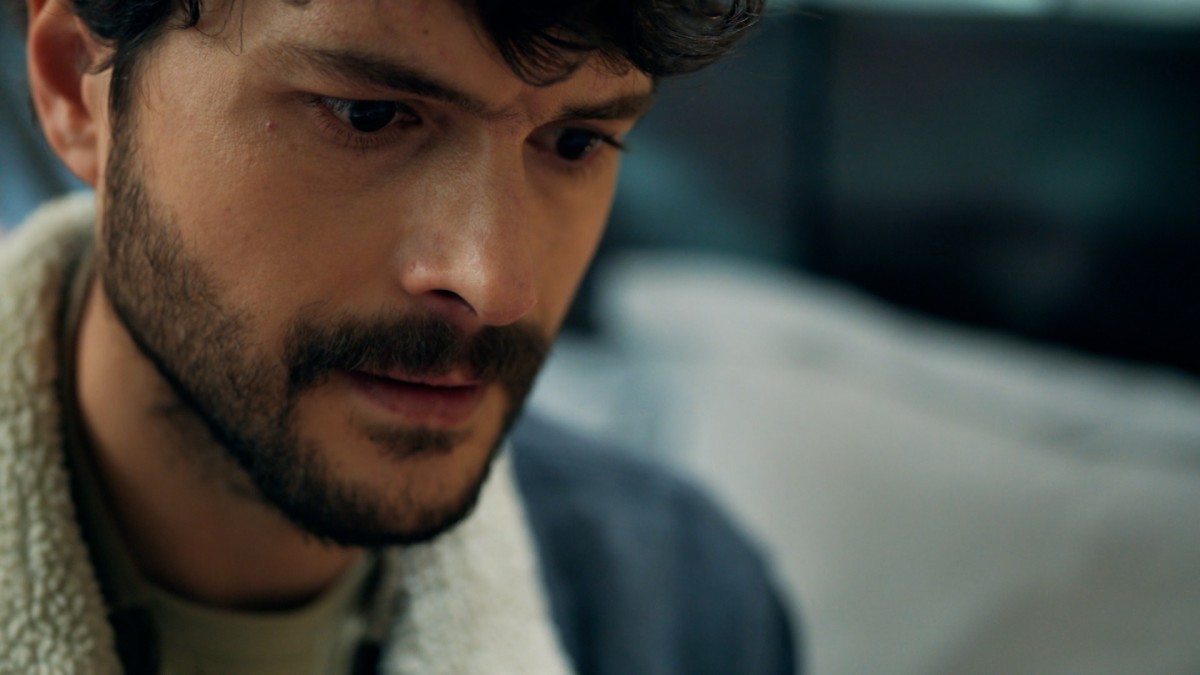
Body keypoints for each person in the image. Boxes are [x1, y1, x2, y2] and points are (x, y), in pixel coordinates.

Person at [0, 0, 796, 673]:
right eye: (368, 115)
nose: (496, 286)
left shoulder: (683, 607)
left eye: (575, 142)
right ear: (75, 86)